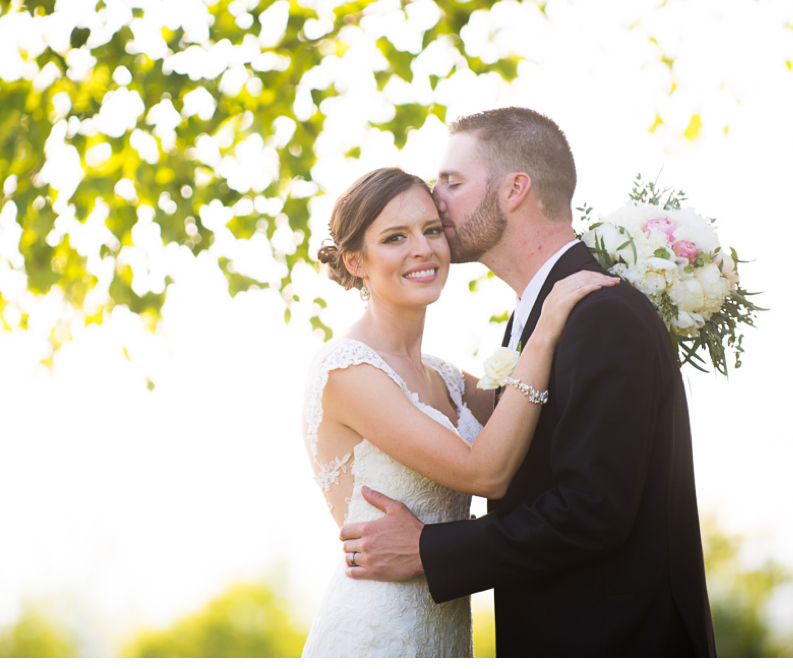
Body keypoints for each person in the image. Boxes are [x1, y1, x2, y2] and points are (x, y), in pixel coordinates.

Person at [339, 108, 717, 656]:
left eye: (453, 182)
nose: (435, 198)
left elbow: (592, 510)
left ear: (515, 189)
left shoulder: (600, 314)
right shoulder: (537, 317)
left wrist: (430, 550)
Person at [301, 166, 617, 657]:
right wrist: (547, 324)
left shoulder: (443, 376)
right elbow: (484, 471)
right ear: (356, 261)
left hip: (445, 630)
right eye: (394, 238)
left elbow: (542, 410)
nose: (423, 249)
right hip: (377, 635)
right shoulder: (348, 371)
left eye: (432, 230)